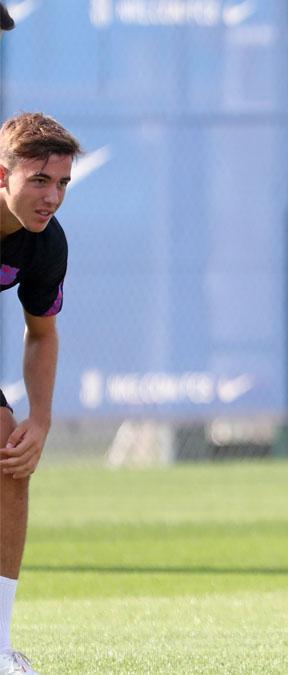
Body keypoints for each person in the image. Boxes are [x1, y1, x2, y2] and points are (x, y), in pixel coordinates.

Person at [0, 108, 81, 674]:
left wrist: (41, 418)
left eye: (61, 184)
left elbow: (42, 333)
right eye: (39, 180)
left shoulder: (45, 243)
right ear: (2, 175)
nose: (51, 197)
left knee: (10, 456)